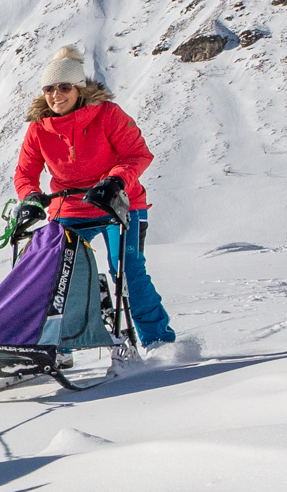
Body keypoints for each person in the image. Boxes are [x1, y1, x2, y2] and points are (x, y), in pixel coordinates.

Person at [11, 45, 175, 346]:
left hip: (118, 204)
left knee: (127, 272)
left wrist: (114, 181)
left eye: (64, 87)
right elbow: (25, 173)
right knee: (53, 274)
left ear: (79, 89)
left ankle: (158, 341)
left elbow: (137, 154)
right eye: (50, 88)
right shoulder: (39, 129)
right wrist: (31, 196)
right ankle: (57, 344)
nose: (56, 95)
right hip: (70, 208)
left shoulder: (107, 115)